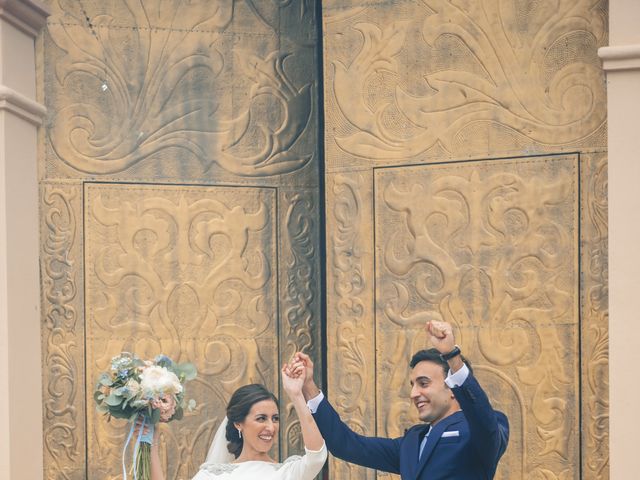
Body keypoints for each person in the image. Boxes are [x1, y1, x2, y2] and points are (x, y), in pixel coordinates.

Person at [294, 320, 509, 480]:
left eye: (423, 384)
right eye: (413, 385)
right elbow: (346, 445)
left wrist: (452, 356)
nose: (414, 393)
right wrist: (309, 387)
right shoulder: (411, 442)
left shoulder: (485, 429)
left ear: (453, 387)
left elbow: (482, 418)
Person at [145, 362, 327, 480]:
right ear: (238, 423)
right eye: (261, 418)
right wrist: (151, 444)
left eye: (275, 418)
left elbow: (317, 456)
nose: (270, 427)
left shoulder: (287, 473)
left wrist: (296, 395)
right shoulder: (212, 476)